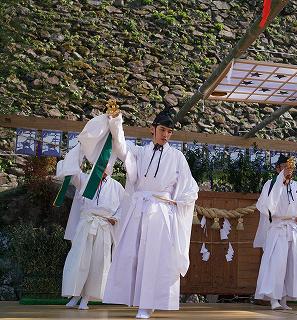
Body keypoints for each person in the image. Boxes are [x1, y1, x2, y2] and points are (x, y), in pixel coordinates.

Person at [102, 108, 199, 319]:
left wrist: (176, 201)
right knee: (133, 255)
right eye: (162, 130)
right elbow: (120, 148)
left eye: (170, 132)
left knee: (154, 257)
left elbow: (191, 188)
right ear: (152, 130)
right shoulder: (140, 152)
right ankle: (136, 300)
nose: (166, 135)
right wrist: (116, 122)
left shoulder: (177, 156)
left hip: (161, 211)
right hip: (139, 208)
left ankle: (147, 304)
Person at [56, 121, 124, 310]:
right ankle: (74, 295)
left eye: (105, 166)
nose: (102, 169)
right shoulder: (84, 179)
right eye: (99, 165)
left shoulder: (117, 186)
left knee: (99, 263)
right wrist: (81, 145)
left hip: (104, 226)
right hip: (86, 223)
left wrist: (116, 218)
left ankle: (87, 298)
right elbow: (69, 170)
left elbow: (124, 207)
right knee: (79, 259)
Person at [254, 154, 297, 310]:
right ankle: (274, 299)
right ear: (277, 168)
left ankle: (284, 300)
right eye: (284, 167)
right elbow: (265, 206)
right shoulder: (271, 184)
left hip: (293, 229)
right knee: (276, 264)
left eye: (290, 168)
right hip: (278, 228)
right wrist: (280, 183)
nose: (288, 170)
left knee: (291, 265)